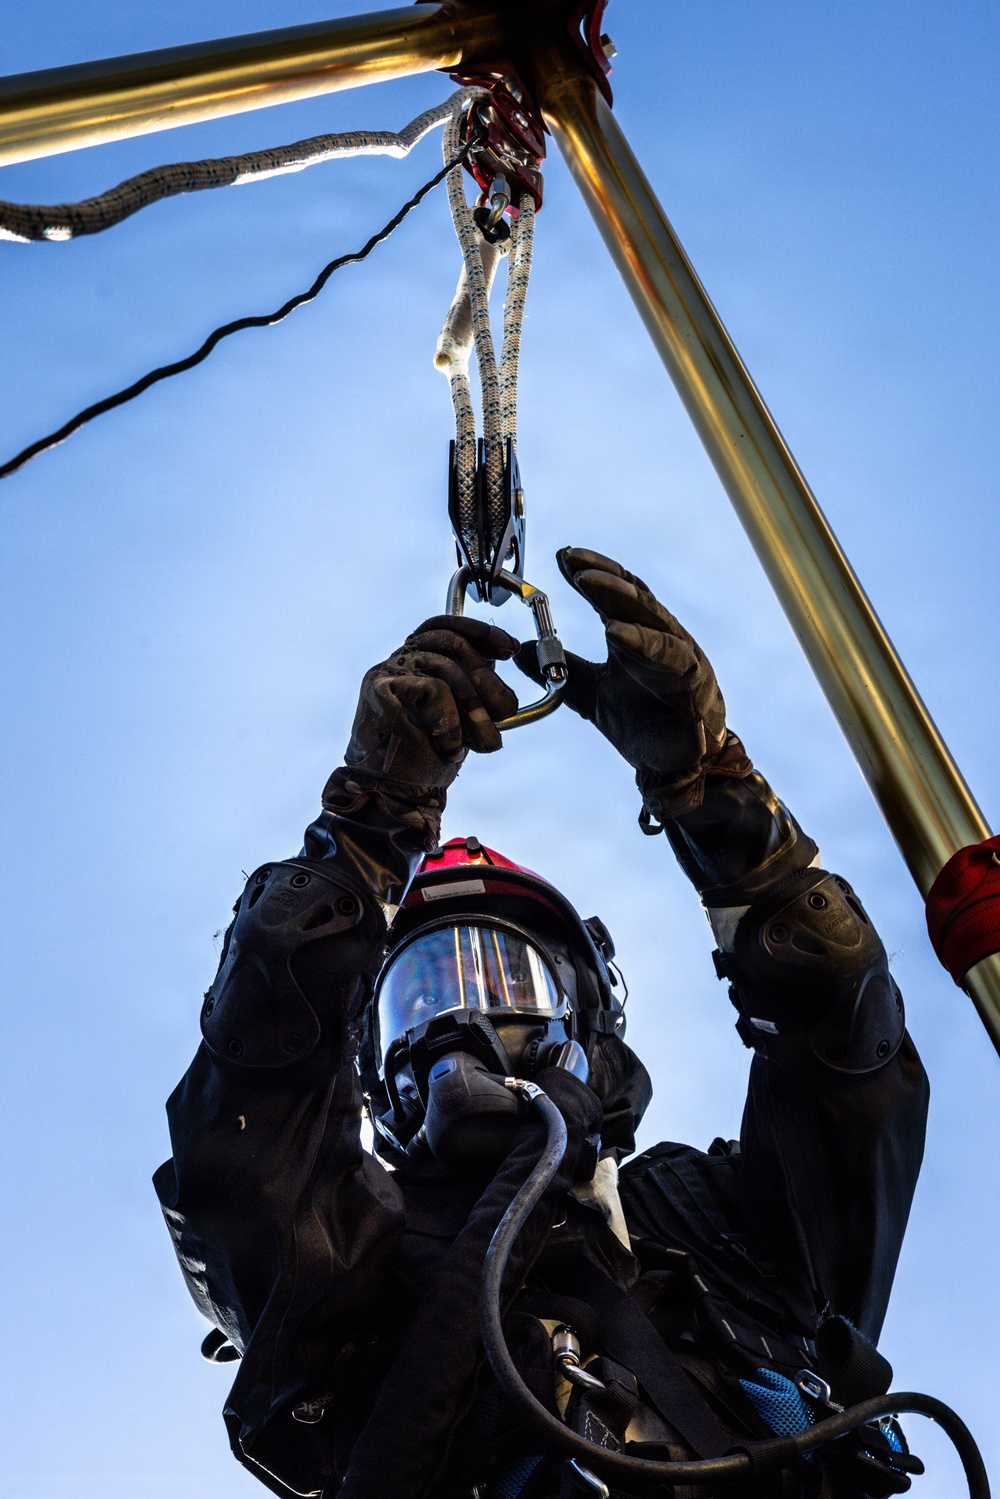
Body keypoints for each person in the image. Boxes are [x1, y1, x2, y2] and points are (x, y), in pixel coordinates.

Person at [154, 548, 929, 1499]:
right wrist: (365, 828)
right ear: (372, 1068)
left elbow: (843, 1042)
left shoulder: (715, 1226)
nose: (469, 1016)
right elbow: (246, 1121)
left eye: (512, 977)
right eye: (424, 991)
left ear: (589, 1018)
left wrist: (715, 800)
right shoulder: (352, 1255)